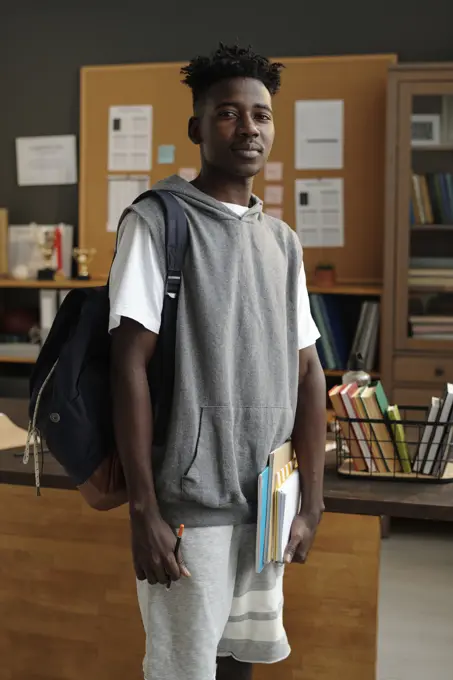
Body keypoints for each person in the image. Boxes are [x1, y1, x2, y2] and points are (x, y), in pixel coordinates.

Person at [109, 43, 326, 680]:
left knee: (237, 667)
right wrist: (144, 511)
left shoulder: (281, 241)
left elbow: (309, 370)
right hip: (188, 506)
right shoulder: (158, 222)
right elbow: (129, 366)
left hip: (267, 503)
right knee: (182, 669)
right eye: (228, 114)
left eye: (260, 115)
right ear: (196, 128)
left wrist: (312, 503)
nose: (248, 128)